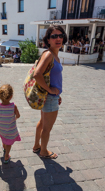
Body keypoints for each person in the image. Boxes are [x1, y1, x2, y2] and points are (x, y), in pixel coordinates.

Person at [32, 25, 67, 159]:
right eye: (54, 36)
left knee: (42, 122)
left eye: (60, 35)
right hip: (50, 96)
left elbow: (52, 77)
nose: (58, 38)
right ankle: (44, 151)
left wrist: (57, 93)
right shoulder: (49, 55)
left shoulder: (54, 55)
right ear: (48, 40)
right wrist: (51, 91)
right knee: (47, 128)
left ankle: (36, 146)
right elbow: (37, 74)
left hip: (51, 96)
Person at [0, 84, 21, 163]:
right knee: (9, 142)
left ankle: (4, 147)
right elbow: (18, 115)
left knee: (3, 137)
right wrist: (14, 118)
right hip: (11, 130)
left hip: (2, 128)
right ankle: (6, 156)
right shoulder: (13, 106)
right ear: (11, 96)